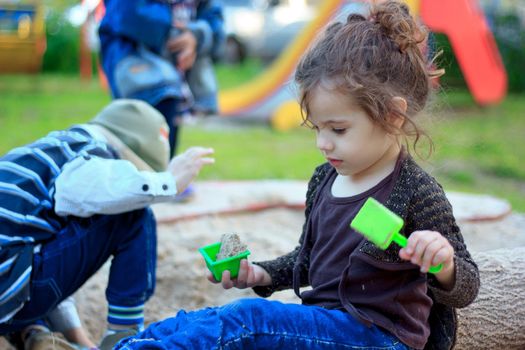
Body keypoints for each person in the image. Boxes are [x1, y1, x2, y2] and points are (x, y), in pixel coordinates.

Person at [113, 2, 480, 350]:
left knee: (248, 320)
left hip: (379, 337)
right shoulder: (325, 179)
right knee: (208, 317)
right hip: (326, 327)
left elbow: (467, 285)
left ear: (393, 117)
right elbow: (308, 262)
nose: (323, 143)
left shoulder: (415, 190)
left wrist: (443, 263)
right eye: (316, 128)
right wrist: (261, 274)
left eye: (337, 130)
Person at [0, 99, 214, 350]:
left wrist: (79, 339)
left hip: (9, 281)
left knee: (31, 257)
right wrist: (169, 183)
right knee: (134, 215)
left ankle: (38, 333)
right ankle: (124, 336)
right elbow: (116, 189)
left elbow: (47, 259)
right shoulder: (89, 154)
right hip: (8, 280)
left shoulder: (48, 152)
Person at [98, 0, 225, 158]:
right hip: (138, 72)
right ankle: (157, 178)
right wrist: (175, 32)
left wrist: (196, 35)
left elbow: (214, 20)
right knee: (138, 138)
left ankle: (167, 177)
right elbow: (128, 14)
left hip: (176, 76)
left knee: (167, 131)